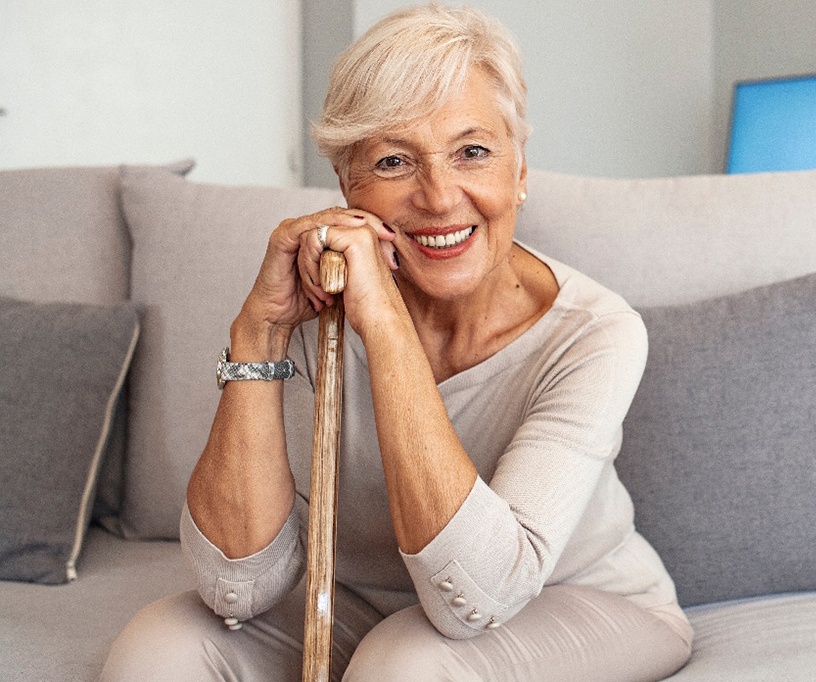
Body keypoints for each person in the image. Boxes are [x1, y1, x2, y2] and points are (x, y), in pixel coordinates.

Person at [101, 5, 692, 681]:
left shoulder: (595, 332)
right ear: (349, 188)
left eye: (472, 151)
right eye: (393, 161)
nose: (439, 197)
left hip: (571, 603)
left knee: (404, 664)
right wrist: (259, 329)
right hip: (367, 606)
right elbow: (235, 586)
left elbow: (477, 600)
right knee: (161, 644)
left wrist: (384, 326)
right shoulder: (307, 307)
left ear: (520, 168)